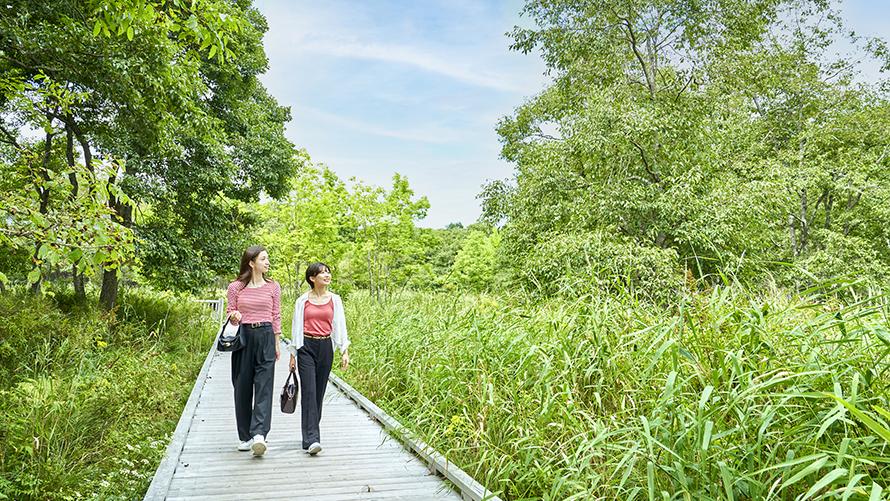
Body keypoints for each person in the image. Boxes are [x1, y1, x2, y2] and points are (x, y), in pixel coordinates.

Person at [288, 262, 350, 455]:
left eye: (328, 272)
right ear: (312, 278)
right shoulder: (302, 301)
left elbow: (340, 325)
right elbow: (296, 327)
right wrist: (293, 354)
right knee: (309, 391)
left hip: (325, 347)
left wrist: (344, 350)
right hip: (306, 346)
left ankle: (309, 435)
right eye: (322, 273)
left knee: (318, 393)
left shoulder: (335, 300)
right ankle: (313, 438)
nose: (327, 275)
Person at [226, 245, 281, 457]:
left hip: (266, 335)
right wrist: (234, 315)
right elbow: (230, 311)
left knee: (264, 387)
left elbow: (276, 315)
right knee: (242, 386)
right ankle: (245, 436)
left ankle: (259, 434)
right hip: (243, 337)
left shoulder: (273, 287)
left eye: (267, 259)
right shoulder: (235, 287)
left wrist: (277, 342)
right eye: (263, 259)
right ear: (251, 263)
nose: (267, 262)